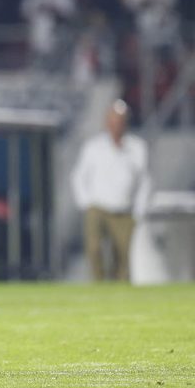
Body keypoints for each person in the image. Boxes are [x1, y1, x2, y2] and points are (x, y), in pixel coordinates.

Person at [70, 100, 152, 281]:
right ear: (107, 122)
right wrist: (85, 203)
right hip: (98, 207)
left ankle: (121, 294)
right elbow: (79, 176)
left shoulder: (137, 147)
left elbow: (144, 181)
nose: (117, 125)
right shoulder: (94, 147)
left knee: (122, 255)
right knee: (94, 249)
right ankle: (99, 287)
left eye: (121, 121)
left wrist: (139, 209)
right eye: (114, 121)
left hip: (124, 209)